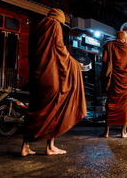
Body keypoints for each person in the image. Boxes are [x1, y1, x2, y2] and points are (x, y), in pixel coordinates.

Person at [21, 8, 86, 156]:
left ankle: (25, 146)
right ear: (60, 19)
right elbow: (59, 48)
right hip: (51, 76)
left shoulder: (38, 25)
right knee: (55, 109)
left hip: (38, 74)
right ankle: (50, 146)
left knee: (36, 110)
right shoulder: (54, 25)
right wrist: (74, 63)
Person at [101, 31, 127, 138]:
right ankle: (123, 132)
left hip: (114, 81)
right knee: (126, 106)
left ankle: (106, 132)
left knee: (111, 105)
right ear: (125, 38)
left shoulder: (110, 45)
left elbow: (104, 60)